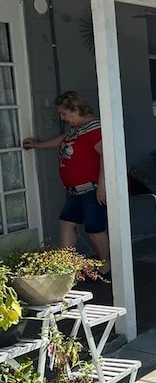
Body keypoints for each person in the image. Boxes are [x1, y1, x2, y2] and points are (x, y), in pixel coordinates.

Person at [22, 91, 111, 278]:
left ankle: (107, 263)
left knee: (95, 229)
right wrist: (37, 145)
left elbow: (106, 155)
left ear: (75, 109)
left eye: (64, 113)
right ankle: (67, 267)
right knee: (66, 223)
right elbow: (63, 140)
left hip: (91, 188)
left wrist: (102, 186)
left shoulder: (94, 128)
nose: (62, 117)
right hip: (74, 191)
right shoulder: (76, 130)